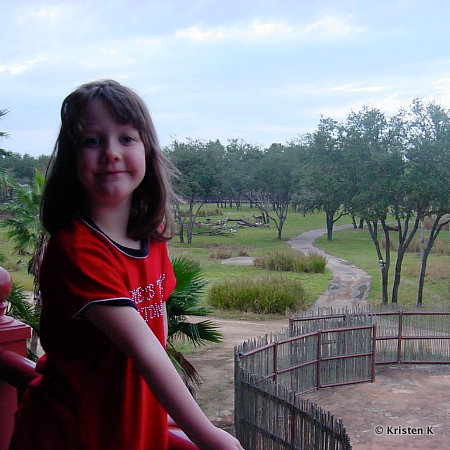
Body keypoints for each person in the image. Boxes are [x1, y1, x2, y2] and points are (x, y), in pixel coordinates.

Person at [10, 79, 243, 450]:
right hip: (73, 433)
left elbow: (158, 330)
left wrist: (163, 414)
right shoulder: (78, 250)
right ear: (72, 159)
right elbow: (144, 349)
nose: (111, 153)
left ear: (148, 150)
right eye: (92, 140)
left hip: (134, 428)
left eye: (127, 138)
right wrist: (208, 434)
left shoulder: (151, 237)